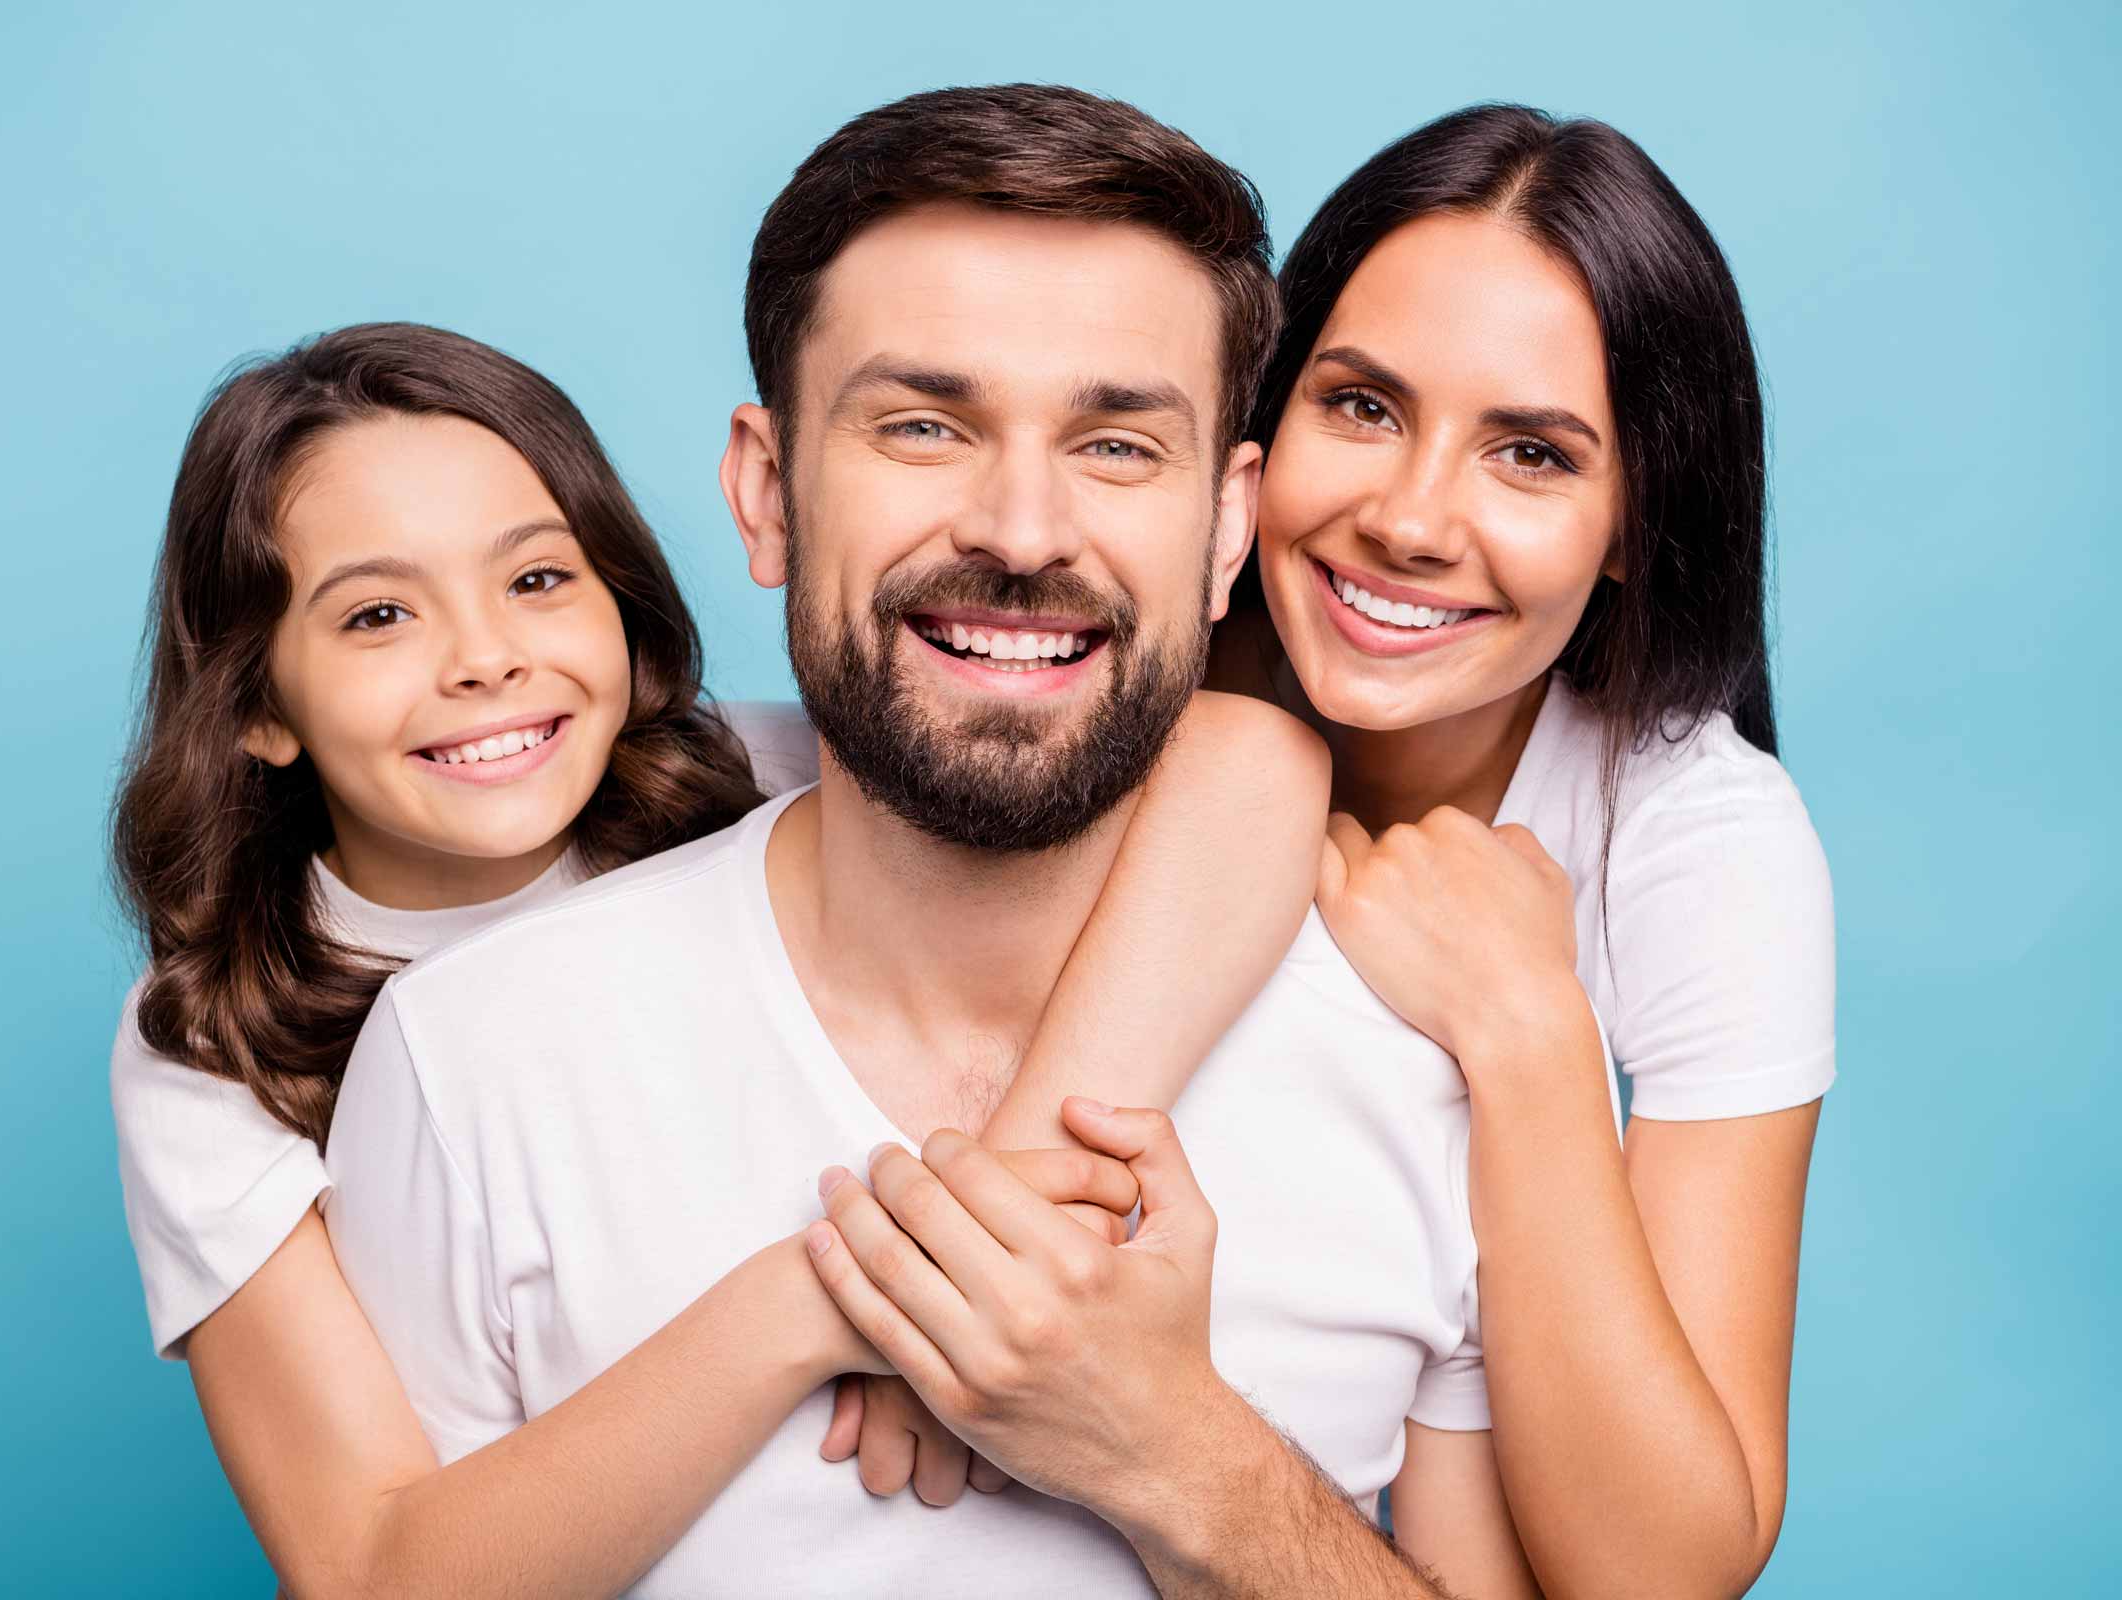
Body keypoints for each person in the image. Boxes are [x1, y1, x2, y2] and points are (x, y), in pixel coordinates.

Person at [324, 85, 1535, 1598]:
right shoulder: (476, 1066)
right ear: (769, 492)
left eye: (1115, 444)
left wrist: (1184, 1462)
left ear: (1230, 528)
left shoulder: (1428, 1075)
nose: (1023, 531)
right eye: (922, 425)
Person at [107, 320, 1316, 1593]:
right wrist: (845, 1299)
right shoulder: (207, 1041)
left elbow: (1246, 763)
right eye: (378, 614)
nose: (484, 659)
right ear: (256, 702)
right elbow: (367, 1569)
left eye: (534, 581)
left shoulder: (760, 778)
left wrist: (991, 1220)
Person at [827, 104, 1833, 1599]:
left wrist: (1527, 1035)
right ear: (1258, 435)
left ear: (1638, 522)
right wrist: (1001, 1229)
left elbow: (1663, 1569)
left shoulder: (1697, 843)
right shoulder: (1104, 638)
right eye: (1361, 407)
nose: (1412, 520)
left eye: (1533, 455)